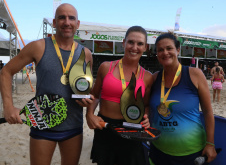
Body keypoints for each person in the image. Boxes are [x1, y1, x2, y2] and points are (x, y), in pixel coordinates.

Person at [0, 3, 93, 165]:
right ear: (54, 23)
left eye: (71, 18)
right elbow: (6, 72)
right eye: (61, 17)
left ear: (77, 24)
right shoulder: (38, 47)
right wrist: (8, 106)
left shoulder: (85, 54)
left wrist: (86, 101)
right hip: (42, 126)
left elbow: (86, 87)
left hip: (74, 127)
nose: (67, 22)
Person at [84, 26, 153, 165]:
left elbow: (146, 105)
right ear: (123, 43)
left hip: (133, 130)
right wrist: (89, 114)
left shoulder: (147, 77)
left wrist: (147, 117)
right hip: (105, 129)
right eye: (130, 42)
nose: (134, 47)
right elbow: (95, 95)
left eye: (140, 44)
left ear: (145, 47)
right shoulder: (106, 67)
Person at [149, 32, 217, 165]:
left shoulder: (194, 74)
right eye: (160, 50)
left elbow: (208, 112)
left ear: (178, 50)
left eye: (169, 48)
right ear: (157, 54)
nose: (165, 53)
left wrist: (210, 143)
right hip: (159, 150)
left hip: (191, 153)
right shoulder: (154, 78)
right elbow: (147, 108)